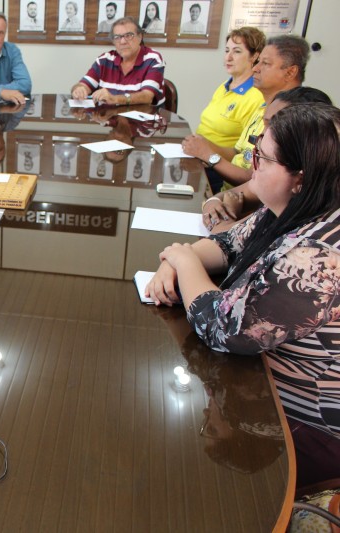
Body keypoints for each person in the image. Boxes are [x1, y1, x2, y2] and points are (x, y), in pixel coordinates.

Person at [145, 103, 340, 489]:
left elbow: (224, 329)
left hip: (305, 419)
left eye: (261, 159)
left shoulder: (318, 259)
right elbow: (227, 242)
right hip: (261, 377)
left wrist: (183, 261)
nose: (252, 168)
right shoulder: (291, 207)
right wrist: (179, 258)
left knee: (185, 472)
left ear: (300, 178)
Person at [182, 35, 310, 190]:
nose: (255, 68)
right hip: (227, 192)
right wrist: (203, 145)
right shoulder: (263, 108)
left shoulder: (290, 119)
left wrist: (209, 156)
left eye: (265, 63)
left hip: (245, 204)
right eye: (258, 62)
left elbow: (257, 180)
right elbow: (238, 153)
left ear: (290, 73)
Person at [200, 87, 332, 232]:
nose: (262, 133)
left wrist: (228, 213)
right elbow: (230, 197)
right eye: (265, 123)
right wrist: (213, 203)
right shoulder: (275, 173)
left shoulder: (303, 191)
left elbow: (227, 235)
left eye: (273, 125)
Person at [189, 27, 266, 194]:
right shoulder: (225, 86)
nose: (228, 58)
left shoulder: (256, 97)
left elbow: (242, 154)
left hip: (218, 169)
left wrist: (205, 151)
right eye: (226, 51)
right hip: (200, 157)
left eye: (237, 52)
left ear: (255, 56)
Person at [70, 17, 166, 106]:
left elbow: (147, 97)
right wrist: (79, 90)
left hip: (143, 122)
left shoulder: (152, 58)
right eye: (117, 37)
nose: (123, 41)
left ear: (140, 37)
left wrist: (115, 99)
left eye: (128, 35)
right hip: (110, 119)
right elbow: (83, 84)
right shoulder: (104, 60)